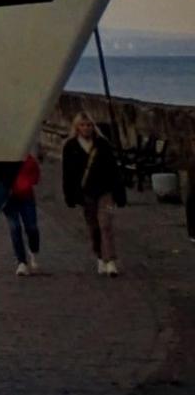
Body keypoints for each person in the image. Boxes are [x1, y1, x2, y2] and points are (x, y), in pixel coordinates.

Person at [81, 119, 129, 277]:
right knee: (94, 228)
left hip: (105, 193)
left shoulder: (105, 149)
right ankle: (100, 255)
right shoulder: (77, 147)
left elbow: (115, 173)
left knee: (106, 225)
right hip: (88, 193)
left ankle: (111, 261)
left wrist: (120, 195)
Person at [7, 146, 45, 272]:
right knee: (15, 227)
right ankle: (21, 261)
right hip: (9, 198)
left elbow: (35, 175)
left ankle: (33, 251)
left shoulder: (28, 160)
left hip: (26, 196)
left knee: (31, 226)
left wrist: (27, 183)